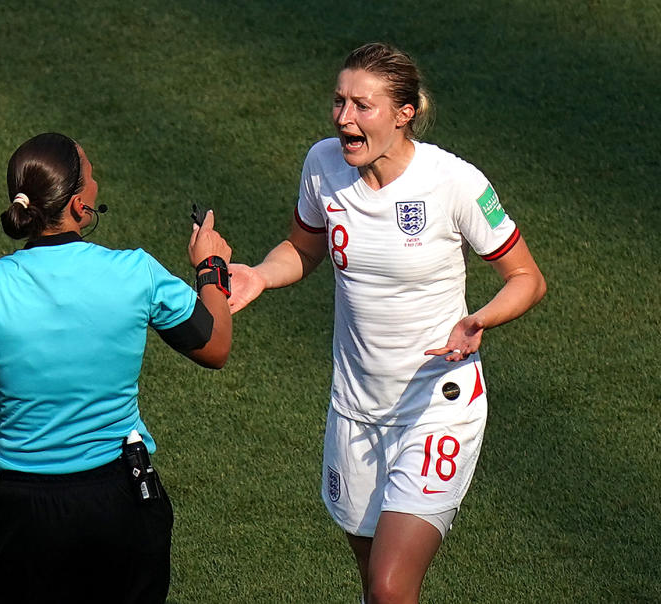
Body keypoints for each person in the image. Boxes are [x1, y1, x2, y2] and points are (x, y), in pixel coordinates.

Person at [228, 43, 546, 603]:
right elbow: (302, 249)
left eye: (362, 106)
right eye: (338, 101)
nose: (344, 118)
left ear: (404, 113)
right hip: (355, 411)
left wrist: (479, 319)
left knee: (391, 585)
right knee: (375, 582)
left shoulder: (454, 182)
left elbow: (527, 277)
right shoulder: (323, 164)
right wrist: (260, 274)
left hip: (436, 407)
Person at [0, 132, 233, 603]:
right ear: (81, 207)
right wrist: (211, 269)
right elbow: (214, 345)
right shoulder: (136, 272)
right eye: (92, 174)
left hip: (25, 512)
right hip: (121, 502)